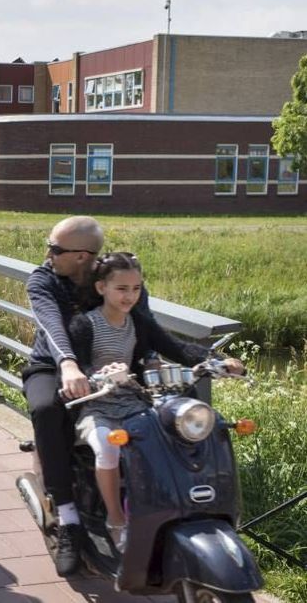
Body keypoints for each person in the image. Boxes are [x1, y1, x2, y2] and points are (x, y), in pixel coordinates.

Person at [66, 252, 242, 552]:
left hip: (136, 402)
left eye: (136, 289)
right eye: (121, 289)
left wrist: (219, 362)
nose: (129, 296)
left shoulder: (138, 321)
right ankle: (116, 519)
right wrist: (99, 374)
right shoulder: (85, 325)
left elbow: (175, 348)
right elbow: (78, 369)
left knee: (172, 439)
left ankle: (173, 507)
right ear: (101, 289)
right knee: (108, 448)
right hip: (97, 406)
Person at [22, 215, 105, 576]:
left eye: (55, 248)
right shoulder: (44, 278)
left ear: (83, 256)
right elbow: (50, 323)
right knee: (45, 408)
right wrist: (68, 363)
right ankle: (68, 518)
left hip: (102, 367)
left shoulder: (114, 277)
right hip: (50, 365)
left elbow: (142, 320)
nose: (48, 253)